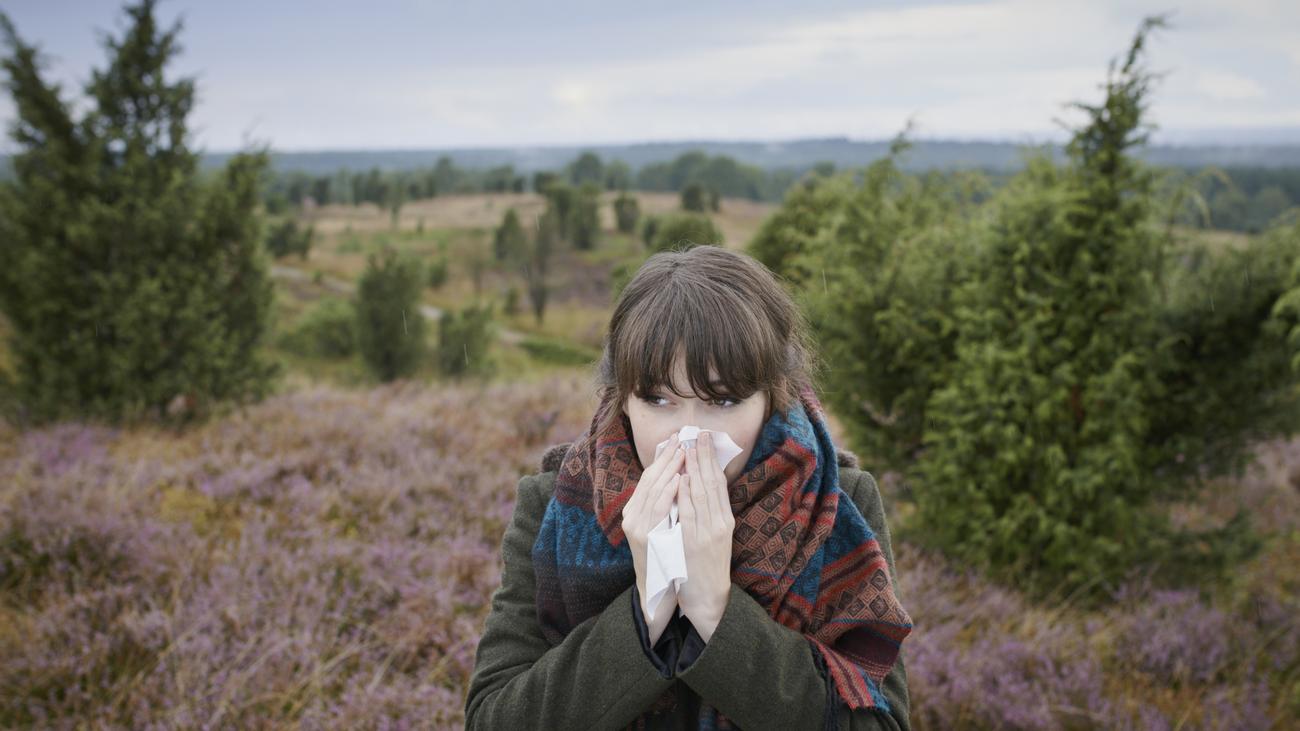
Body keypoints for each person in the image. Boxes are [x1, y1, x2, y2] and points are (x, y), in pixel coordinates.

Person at [465, 244, 913, 730]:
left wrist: (715, 609)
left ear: (771, 399)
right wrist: (646, 609)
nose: (690, 435)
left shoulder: (837, 503)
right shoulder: (553, 503)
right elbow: (492, 717)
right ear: (622, 400)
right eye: (658, 399)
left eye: (723, 401)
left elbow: (879, 724)